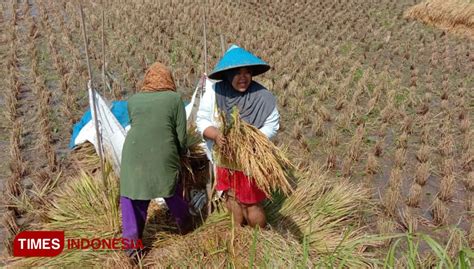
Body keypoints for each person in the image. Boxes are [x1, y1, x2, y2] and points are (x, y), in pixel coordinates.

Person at [196, 45, 279, 228]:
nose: (243, 78)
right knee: (230, 196)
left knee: (251, 203)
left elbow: (273, 124)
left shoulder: (262, 96)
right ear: (227, 74)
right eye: (237, 73)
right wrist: (216, 135)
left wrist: (251, 140)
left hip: (251, 160)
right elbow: (201, 120)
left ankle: (260, 237)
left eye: (247, 72)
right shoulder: (215, 92)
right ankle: (239, 233)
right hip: (225, 159)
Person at [120, 62, 192, 257]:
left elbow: (139, 126)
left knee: (133, 196)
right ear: (169, 79)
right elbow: (181, 135)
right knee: (171, 190)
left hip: (132, 155)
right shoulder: (175, 98)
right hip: (164, 153)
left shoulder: (133, 100)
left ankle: (132, 248)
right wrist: (183, 153)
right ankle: (186, 226)